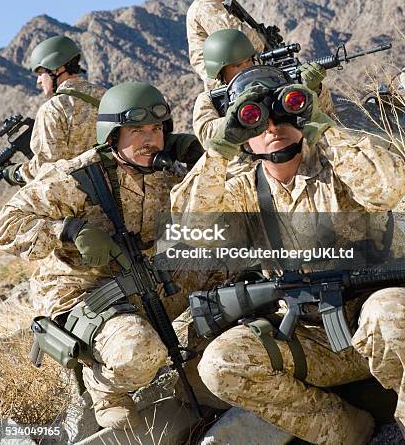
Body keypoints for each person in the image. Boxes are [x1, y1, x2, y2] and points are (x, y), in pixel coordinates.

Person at [171, 67, 405, 444]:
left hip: (374, 323)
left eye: (282, 112)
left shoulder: (339, 163)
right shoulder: (244, 190)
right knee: (220, 363)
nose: (271, 127)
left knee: (392, 312)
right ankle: (350, 432)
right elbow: (192, 228)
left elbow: (389, 189)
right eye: (255, 120)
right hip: (311, 337)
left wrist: (322, 127)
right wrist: (221, 148)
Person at [0, 81, 209, 430]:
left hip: (140, 280)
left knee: (228, 274)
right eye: (136, 130)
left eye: (157, 129)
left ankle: (196, 372)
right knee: (140, 354)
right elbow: (7, 225)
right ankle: (105, 388)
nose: (149, 140)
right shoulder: (79, 176)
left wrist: (203, 149)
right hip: (84, 294)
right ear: (112, 136)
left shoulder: (164, 169)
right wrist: (67, 231)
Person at [193, 28, 333, 151]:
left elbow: (327, 112)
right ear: (220, 72)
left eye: (249, 60)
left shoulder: (275, 79)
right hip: (245, 166)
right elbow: (206, 136)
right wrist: (244, 114)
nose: (247, 67)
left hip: (293, 150)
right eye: (237, 65)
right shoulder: (209, 99)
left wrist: (314, 90)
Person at [1, 35, 105, 186]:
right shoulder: (106, 95)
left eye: (40, 73)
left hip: (79, 199)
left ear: (55, 69)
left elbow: (47, 167)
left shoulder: (53, 108)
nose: (38, 81)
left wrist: (15, 173)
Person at [187, 0, 267, 87]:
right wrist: (262, 40)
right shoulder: (206, 7)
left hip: (234, 78)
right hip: (227, 82)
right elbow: (238, 38)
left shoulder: (209, 6)